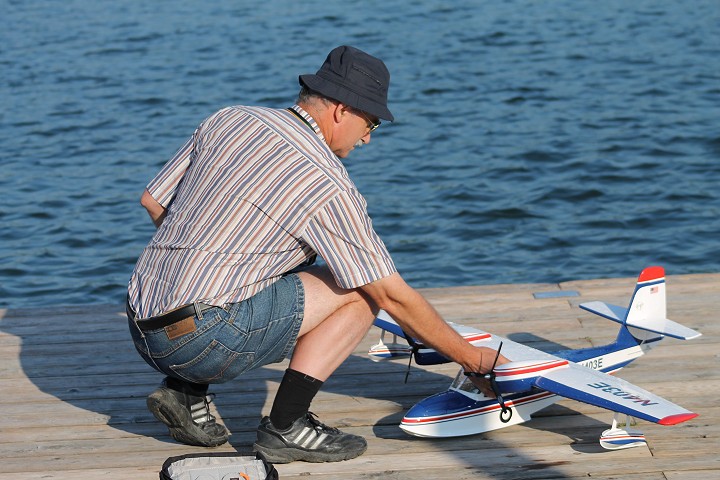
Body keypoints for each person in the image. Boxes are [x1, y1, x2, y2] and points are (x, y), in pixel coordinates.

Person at [126, 45, 508, 464]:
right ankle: (287, 427)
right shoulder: (327, 184)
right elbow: (391, 296)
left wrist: (213, 262)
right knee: (361, 289)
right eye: (372, 123)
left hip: (141, 322)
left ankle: (184, 390)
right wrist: (474, 361)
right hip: (203, 340)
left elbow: (151, 200)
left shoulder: (230, 118)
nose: (367, 138)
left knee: (253, 264)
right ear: (342, 110)